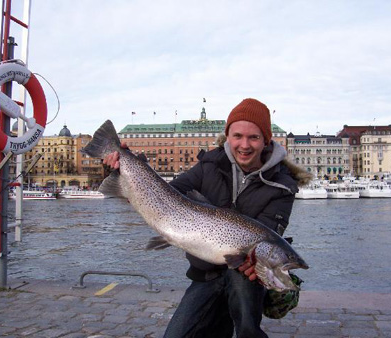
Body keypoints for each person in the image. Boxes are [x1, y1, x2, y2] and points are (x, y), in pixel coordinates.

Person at [104, 98, 310, 338]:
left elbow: (268, 232)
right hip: (205, 276)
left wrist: (264, 266)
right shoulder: (209, 164)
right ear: (227, 137)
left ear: (266, 140)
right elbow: (166, 192)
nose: (245, 145)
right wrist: (127, 163)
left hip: (246, 279)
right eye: (238, 136)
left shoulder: (283, 186)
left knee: (246, 327)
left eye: (253, 137)